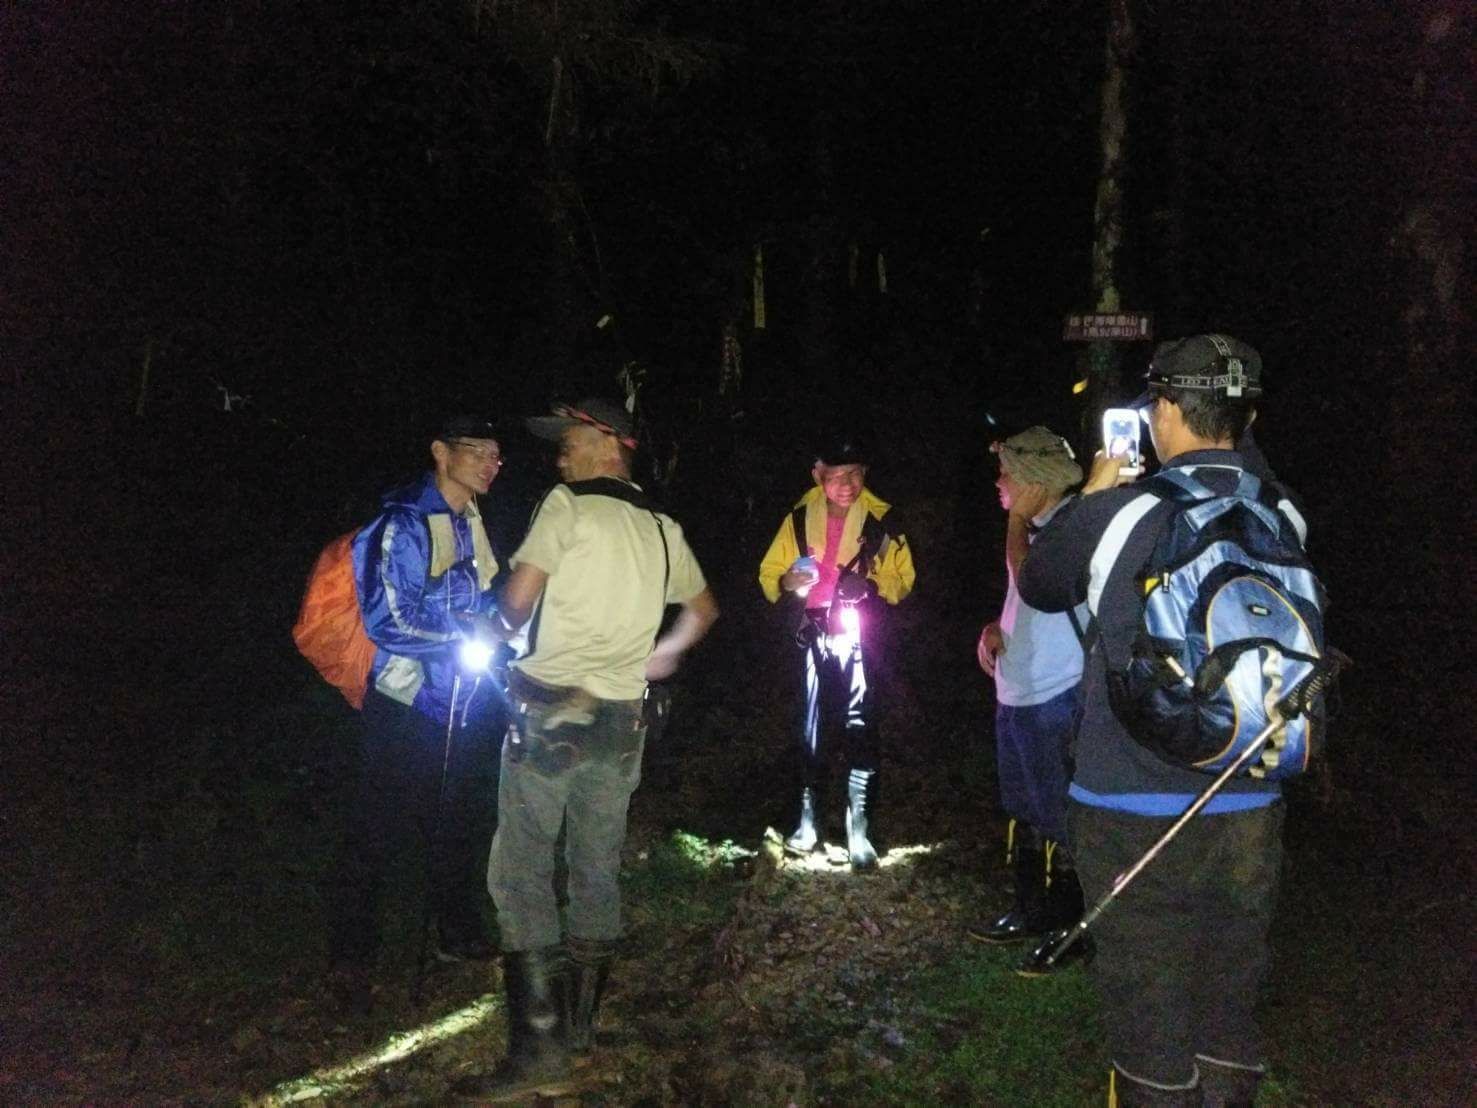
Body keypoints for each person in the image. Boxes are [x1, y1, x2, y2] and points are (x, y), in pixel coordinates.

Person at [1018, 335, 1302, 1107]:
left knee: (1148, 1009)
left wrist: (1092, 491)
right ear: (1248, 418)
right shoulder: (1281, 512)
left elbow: (1040, 583)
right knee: (1227, 1000)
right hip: (1249, 795)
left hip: (1129, 805)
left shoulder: (1119, 512)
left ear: (1164, 409)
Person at [460, 398, 718, 1100]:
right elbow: (703, 610)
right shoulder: (660, 525)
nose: (560, 455)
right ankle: (578, 1030)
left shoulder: (566, 506)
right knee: (595, 865)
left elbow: (517, 602)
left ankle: (537, 1054)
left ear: (610, 441)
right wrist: (662, 654)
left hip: (551, 715)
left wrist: (493, 626)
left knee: (520, 873)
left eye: (569, 441)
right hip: (623, 720)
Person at [330, 415, 506, 992]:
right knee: (376, 822)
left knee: (459, 816)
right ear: (440, 452)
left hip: (460, 697)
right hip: (404, 699)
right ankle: (353, 952)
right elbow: (389, 619)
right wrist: (466, 637)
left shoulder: (469, 520)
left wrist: (494, 629)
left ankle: (457, 931)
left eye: (496, 455)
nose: (490, 464)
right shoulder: (402, 521)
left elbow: (479, 597)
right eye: (476, 451)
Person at [758, 434, 916, 872]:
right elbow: (769, 572)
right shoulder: (797, 518)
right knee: (811, 727)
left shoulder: (882, 520)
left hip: (862, 634)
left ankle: (858, 830)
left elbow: (903, 579)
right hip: (812, 633)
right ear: (818, 475)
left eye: (855, 474)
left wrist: (871, 586)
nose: (847, 484)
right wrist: (786, 581)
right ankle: (807, 824)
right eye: (836, 475)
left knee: (861, 726)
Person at [966, 426, 1091, 975]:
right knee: (1022, 807)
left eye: (1009, 475)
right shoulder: (1038, 529)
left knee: (1059, 814)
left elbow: (1033, 581)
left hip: (1056, 693)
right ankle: (1029, 910)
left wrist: (1015, 519)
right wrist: (996, 627)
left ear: (1037, 481)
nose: (1000, 483)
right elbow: (1025, 600)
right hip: (1017, 691)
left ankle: (1070, 928)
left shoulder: (1071, 530)